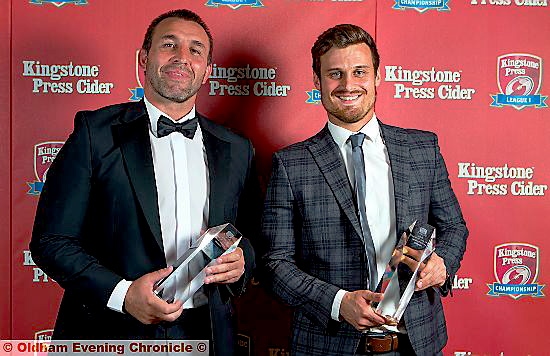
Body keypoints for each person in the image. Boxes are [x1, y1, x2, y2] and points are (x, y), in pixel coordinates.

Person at [30, 9, 260, 356]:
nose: (182, 57)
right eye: (169, 45)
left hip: (208, 334)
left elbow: (252, 238)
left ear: (208, 70)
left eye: (196, 50)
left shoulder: (237, 149)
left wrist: (241, 264)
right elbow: (52, 241)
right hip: (109, 331)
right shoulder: (94, 134)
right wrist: (123, 295)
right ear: (143, 58)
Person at [261, 24, 468, 355]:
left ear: (377, 76)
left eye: (359, 71)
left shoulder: (421, 148)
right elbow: (275, 263)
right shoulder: (291, 164)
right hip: (327, 345)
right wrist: (338, 302)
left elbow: (454, 227)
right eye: (335, 74)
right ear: (317, 82)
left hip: (416, 343)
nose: (348, 85)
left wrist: (443, 265)